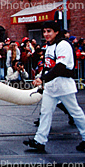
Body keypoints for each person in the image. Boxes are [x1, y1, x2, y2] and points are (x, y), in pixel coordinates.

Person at [24, 21, 85, 152]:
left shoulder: (63, 45)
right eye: (44, 31)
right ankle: (39, 141)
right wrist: (40, 76)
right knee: (45, 113)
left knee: (75, 112)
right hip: (51, 86)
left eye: (49, 31)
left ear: (56, 32)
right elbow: (48, 66)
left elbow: (61, 67)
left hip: (63, 85)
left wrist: (43, 79)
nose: (46, 34)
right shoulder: (50, 46)